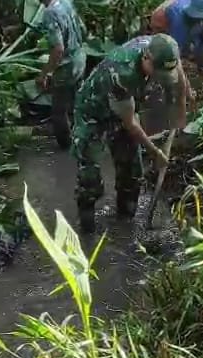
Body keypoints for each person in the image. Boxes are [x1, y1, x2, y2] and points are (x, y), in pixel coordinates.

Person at [72, 34, 189, 233]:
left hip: (124, 107)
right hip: (94, 111)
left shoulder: (165, 50)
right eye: (157, 73)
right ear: (146, 58)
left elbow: (179, 82)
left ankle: (126, 221)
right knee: (90, 175)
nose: (159, 79)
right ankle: (87, 228)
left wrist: (180, 115)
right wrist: (155, 152)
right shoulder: (122, 74)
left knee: (132, 170)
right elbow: (130, 123)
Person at [35, 0, 87, 150]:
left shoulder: (49, 13)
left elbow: (58, 49)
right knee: (78, 101)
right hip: (79, 58)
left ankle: (67, 144)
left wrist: (45, 73)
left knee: (59, 108)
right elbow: (83, 29)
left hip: (67, 66)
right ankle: (84, 136)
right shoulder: (66, 2)